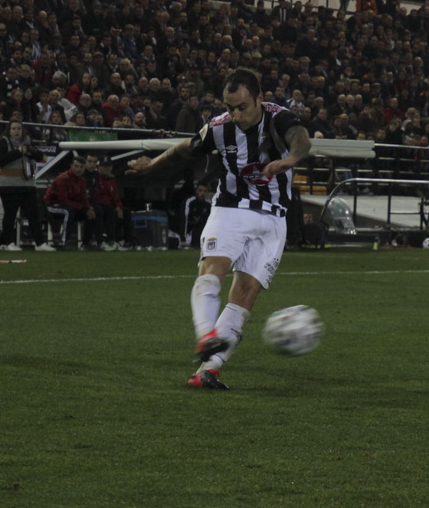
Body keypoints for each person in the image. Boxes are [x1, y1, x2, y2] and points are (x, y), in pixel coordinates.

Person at [127, 68, 312, 391]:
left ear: (259, 99)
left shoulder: (278, 118)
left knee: (246, 295)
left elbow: (301, 138)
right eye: (230, 107)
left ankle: (208, 370)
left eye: (242, 107)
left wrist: (290, 159)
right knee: (213, 269)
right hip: (231, 209)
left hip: (273, 219)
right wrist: (151, 165)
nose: (236, 115)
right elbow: (184, 149)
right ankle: (206, 336)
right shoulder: (218, 129)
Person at [0, 120, 55, 251]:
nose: (16, 131)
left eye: (19, 128)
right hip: (8, 186)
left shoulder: (28, 142)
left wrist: (31, 152)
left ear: (23, 130)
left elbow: (43, 158)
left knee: (34, 215)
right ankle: (8, 243)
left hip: (27, 185)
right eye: (14, 129)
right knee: (10, 215)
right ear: (8, 130)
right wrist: (18, 152)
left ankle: (40, 243)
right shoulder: (2, 143)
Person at [43, 155, 94, 248]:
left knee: (91, 213)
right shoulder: (63, 178)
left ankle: (86, 243)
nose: (78, 169)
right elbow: (63, 200)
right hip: (51, 205)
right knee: (68, 212)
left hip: (69, 205)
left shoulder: (82, 180)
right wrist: (82, 207)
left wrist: (87, 208)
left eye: (81, 167)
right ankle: (65, 241)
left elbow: (83, 198)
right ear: (71, 166)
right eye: (76, 166)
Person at [91, 156, 124, 250]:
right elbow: (95, 195)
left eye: (108, 166)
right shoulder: (95, 178)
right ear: (99, 167)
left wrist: (119, 206)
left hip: (108, 205)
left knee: (125, 212)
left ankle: (124, 241)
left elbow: (115, 195)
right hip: (97, 204)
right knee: (106, 211)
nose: (106, 168)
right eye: (104, 166)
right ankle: (102, 241)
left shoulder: (112, 179)